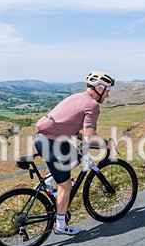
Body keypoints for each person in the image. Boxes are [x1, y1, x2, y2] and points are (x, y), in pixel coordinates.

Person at [33, 71, 116, 235]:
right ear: (98, 88)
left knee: (77, 156)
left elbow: (67, 122)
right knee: (65, 185)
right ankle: (61, 225)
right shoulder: (92, 105)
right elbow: (90, 137)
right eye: (106, 89)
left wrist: (79, 137)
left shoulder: (77, 97)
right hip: (51, 143)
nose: (108, 93)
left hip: (48, 138)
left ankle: (49, 182)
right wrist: (107, 145)